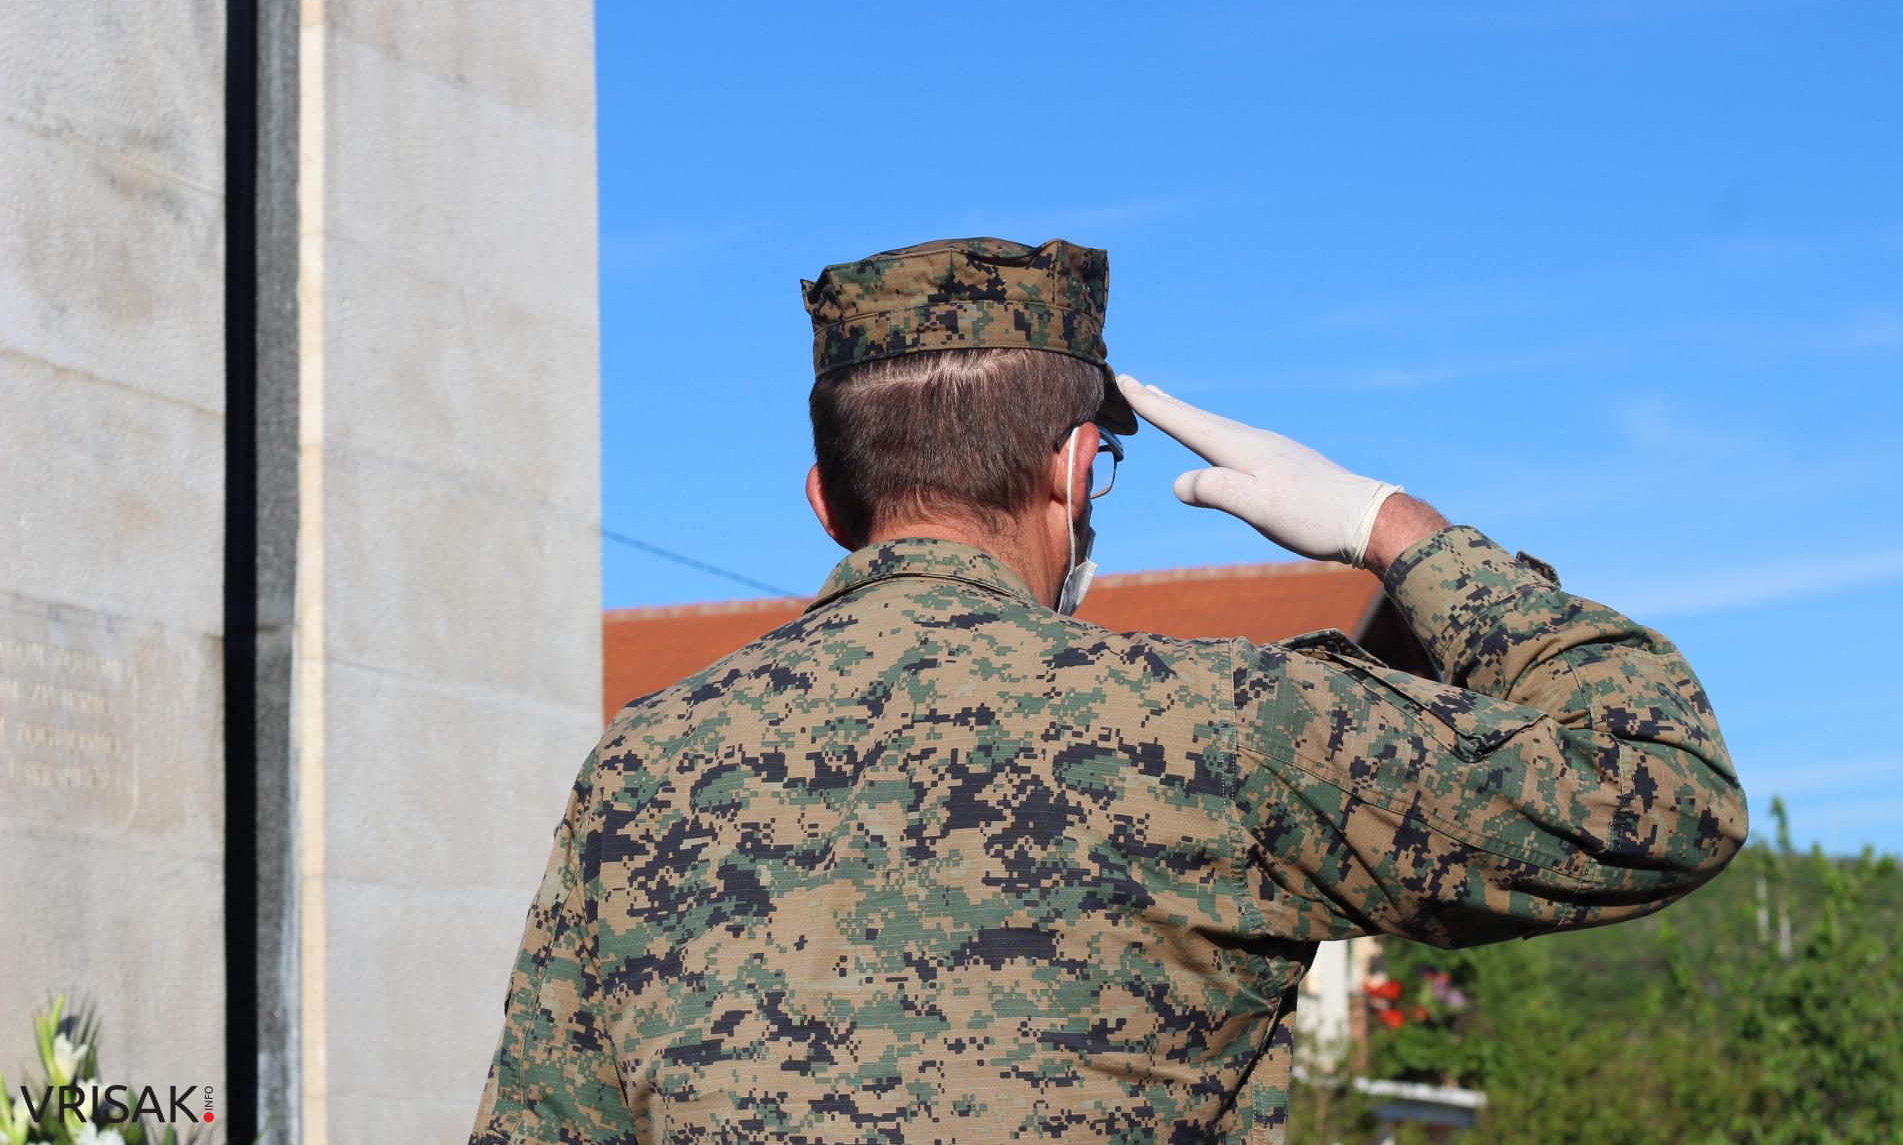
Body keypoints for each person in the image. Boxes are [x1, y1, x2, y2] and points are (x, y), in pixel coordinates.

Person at [469, 236, 1746, 1144]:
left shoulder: (641, 770)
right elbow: (1665, 785)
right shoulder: (1225, 729)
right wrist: (1389, 526)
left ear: (826, 503)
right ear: (1078, 474)